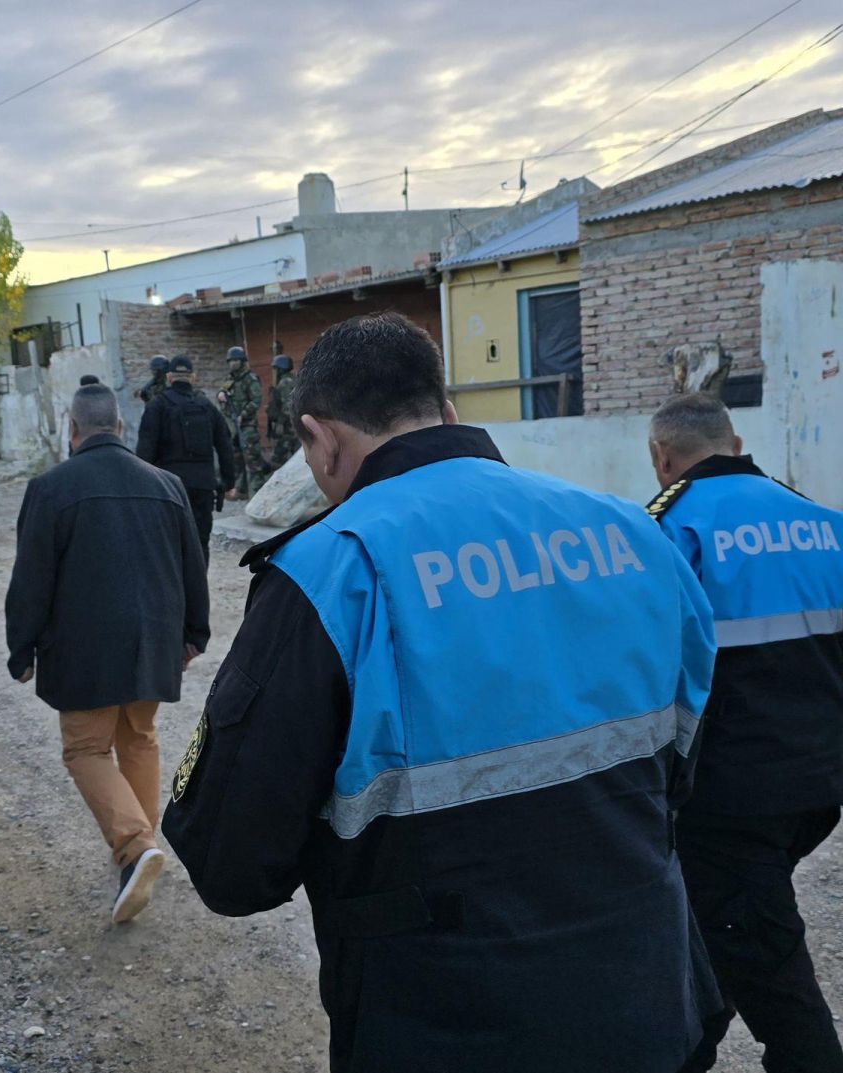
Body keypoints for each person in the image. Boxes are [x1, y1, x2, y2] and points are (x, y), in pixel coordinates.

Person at [163, 312, 723, 1073]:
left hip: (446, 1022)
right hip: (650, 1000)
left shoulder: (336, 568)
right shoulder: (632, 530)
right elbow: (681, 761)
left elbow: (232, 863)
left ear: (320, 439)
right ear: (449, 411)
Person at [646, 392, 843, 1073]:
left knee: (763, 957)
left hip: (729, 795)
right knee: (726, 928)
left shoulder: (669, 530)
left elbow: (647, 671)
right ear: (735, 444)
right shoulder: (825, 522)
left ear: (661, 458)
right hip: (818, 787)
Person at [5, 385, 210, 923]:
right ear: (121, 427)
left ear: (72, 430)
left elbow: (32, 579)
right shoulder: (165, 484)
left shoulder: (51, 488)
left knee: (86, 751)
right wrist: (194, 632)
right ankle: (139, 852)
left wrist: (20, 647)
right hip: (154, 642)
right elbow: (193, 563)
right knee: (138, 737)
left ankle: (135, 846)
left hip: (85, 647)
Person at [136, 355, 236, 567]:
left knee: (171, 544)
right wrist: (229, 482)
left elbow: (145, 450)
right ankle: (199, 595)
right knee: (200, 543)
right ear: (193, 377)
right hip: (203, 487)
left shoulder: (157, 406)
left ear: (170, 377)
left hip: (168, 488)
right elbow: (226, 446)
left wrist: (143, 488)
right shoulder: (207, 407)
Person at [217, 345, 267, 499]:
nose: (232, 363)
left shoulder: (249, 378)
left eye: (235, 360)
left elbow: (256, 400)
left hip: (247, 426)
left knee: (252, 458)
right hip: (233, 426)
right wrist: (220, 396)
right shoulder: (229, 379)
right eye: (230, 361)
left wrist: (243, 414)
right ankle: (241, 490)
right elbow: (223, 394)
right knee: (237, 459)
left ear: (242, 361)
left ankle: (258, 492)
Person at [267, 353, 298, 468]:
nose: (274, 372)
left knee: (278, 460)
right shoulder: (293, 379)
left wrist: (279, 424)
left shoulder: (285, 382)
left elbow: (287, 407)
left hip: (288, 428)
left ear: (281, 368)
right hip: (293, 426)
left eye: (275, 369)